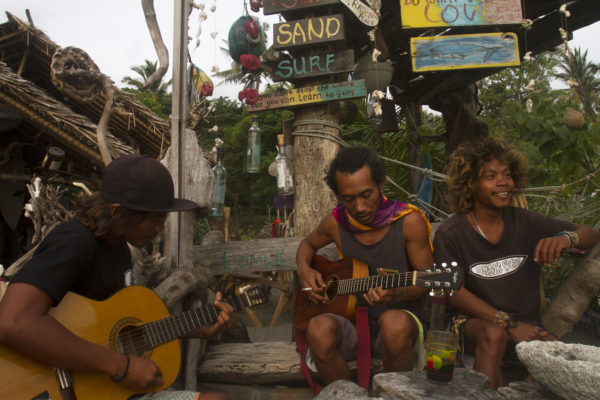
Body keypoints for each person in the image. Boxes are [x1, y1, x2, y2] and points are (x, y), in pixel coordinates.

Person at [0, 154, 233, 400]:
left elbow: (107, 331)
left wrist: (192, 328)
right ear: (117, 212)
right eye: (155, 218)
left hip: (103, 386)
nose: (160, 227)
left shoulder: (119, 248)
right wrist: (120, 366)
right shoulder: (76, 241)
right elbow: (14, 322)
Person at [433, 137, 600, 389]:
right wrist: (507, 323)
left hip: (528, 328)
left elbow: (590, 234)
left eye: (507, 174)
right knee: (494, 335)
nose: (503, 182)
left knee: (568, 366)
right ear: (470, 184)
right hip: (474, 326)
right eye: (491, 176)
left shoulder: (525, 222)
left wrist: (566, 238)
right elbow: (453, 293)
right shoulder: (452, 233)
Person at [296, 146, 434, 385]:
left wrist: (396, 292)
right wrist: (305, 270)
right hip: (350, 320)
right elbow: (307, 245)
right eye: (348, 199)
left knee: (394, 324)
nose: (359, 208)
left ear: (381, 184)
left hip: (400, 322)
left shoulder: (409, 222)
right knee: (318, 329)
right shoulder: (335, 223)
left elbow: (426, 281)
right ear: (338, 196)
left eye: (366, 195)